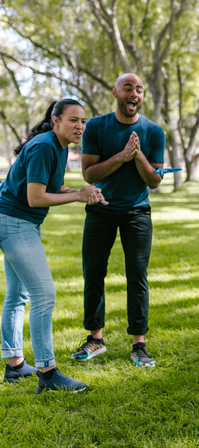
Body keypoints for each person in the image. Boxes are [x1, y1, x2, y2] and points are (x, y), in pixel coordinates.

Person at [0, 99, 106, 393]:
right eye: (73, 120)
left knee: (18, 295)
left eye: (83, 120)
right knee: (44, 294)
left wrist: (80, 191)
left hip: (16, 221)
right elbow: (36, 197)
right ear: (56, 121)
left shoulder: (57, 146)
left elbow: (51, 185)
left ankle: (15, 366)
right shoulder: (46, 145)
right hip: (14, 222)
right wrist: (76, 197)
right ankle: (48, 373)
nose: (80, 126)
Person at [71, 73, 165, 367]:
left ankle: (139, 344)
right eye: (128, 88)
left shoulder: (153, 132)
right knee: (94, 272)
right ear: (116, 92)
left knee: (137, 276)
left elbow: (154, 182)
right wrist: (122, 156)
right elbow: (89, 174)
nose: (134, 93)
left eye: (139, 89)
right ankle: (95, 339)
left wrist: (137, 158)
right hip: (100, 209)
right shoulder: (97, 126)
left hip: (137, 212)